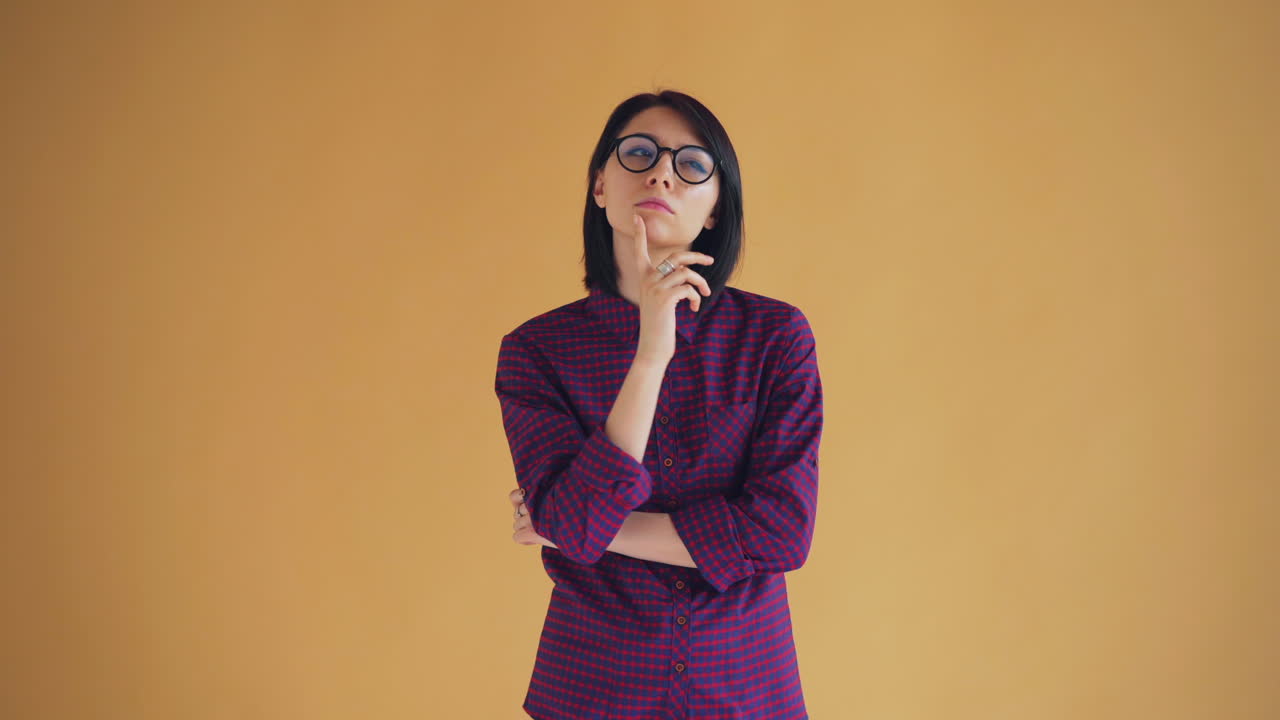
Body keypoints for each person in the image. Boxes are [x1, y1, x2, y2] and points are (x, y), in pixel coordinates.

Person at [494, 89, 823, 720]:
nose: (661, 173)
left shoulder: (774, 337)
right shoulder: (537, 351)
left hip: (746, 690)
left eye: (692, 164)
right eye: (639, 153)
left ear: (716, 206)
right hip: (592, 692)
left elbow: (782, 533)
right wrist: (650, 356)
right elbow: (576, 526)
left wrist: (585, 530)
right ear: (600, 186)